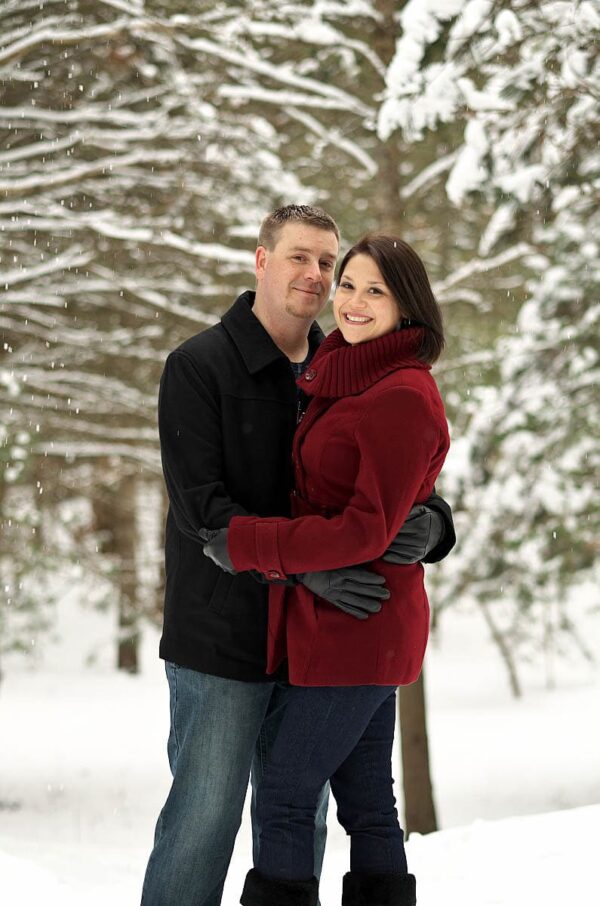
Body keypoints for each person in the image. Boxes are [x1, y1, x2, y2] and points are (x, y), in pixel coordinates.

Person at [141, 206, 455, 906]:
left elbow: (391, 477)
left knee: (299, 808)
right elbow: (204, 514)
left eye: (326, 261)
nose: (316, 276)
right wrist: (308, 565)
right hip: (224, 635)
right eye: (300, 258)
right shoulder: (198, 366)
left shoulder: (342, 363)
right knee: (204, 820)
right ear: (261, 260)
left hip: (318, 633)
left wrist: (431, 524)